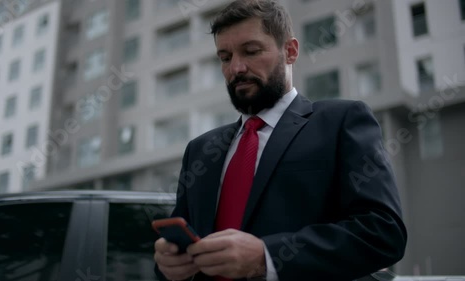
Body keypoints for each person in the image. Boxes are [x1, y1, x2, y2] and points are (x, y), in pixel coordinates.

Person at [154, 0, 407, 280]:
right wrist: (168, 263)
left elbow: (382, 232)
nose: (236, 68)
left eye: (251, 51)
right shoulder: (200, 150)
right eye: (225, 57)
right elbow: (182, 243)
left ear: (290, 51)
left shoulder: (341, 121)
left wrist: (267, 256)